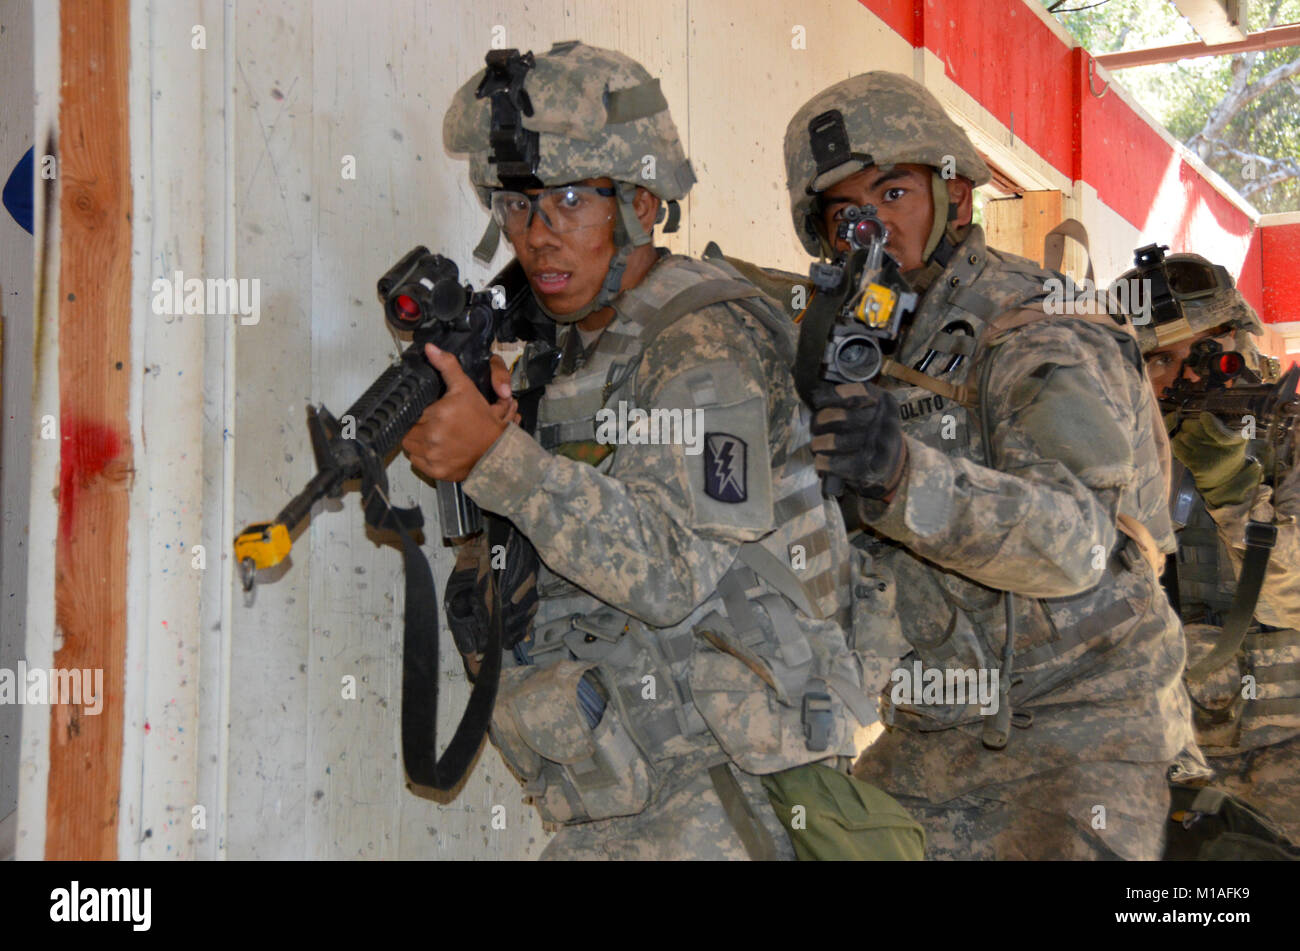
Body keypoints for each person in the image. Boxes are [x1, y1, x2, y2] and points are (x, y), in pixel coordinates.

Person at [402, 41, 921, 860]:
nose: (537, 236)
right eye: (516, 205)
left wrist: (496, 462)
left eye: (569, 200)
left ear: (641, 201)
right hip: (638, 781)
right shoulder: (569, 353)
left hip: (730, 787)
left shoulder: (702, 342)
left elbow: (673, 568)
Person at [783, 72, 1193, 859]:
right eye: (846, 215)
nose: (873, 229)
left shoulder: (1039, 327)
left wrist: (901, 476)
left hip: (1084, 724)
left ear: (957, 196)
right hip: (936, 725)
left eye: (895, 193)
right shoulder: (858, 341)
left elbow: (1074, 542)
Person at [1128, 253, 1300, 842]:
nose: (1192, 378)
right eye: (1162, 361)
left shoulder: (1288, 427)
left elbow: (1293, 600)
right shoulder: (1107, 439)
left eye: (1207, 352)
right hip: (1153, 740)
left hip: (1282, 737)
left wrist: (1232, 488)